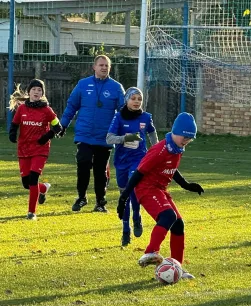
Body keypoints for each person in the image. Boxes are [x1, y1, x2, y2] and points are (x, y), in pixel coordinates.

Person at [117, 113, 204, 277]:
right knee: (168, 216)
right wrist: (124, 198)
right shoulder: (160, 149)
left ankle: (178, 267)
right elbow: (139, 173)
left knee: (178, 225)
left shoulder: (176, 148)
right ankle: (151, 251)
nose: (186, 141)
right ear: (175, 132)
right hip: (146, 189)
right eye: (184, 137)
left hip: (160, 189)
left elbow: (171, 168)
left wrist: (186, 185)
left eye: (189, 139)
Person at [60, 54, 125, 212]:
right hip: (84, 135)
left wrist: (128, 131)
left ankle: (100, 202)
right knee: (83, 163)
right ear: (94, 67)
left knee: (100, 170)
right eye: (101, 65)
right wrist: (63, 125)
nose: (104, 68)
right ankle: (81, 197)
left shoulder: (116, 87)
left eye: (106, 66)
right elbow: (71, 106)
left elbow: (124, 112)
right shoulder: (83, 85)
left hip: (105, 137)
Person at [106, 87, 158, 246]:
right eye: (133, 98)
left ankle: (136, 216)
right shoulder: (118, 117)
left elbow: (152, 132)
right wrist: (126, 138)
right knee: (124, 195)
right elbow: (109, 139)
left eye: (139, 99)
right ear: (126, 100)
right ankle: (125, 229)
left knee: (133, 188)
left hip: (139, 159)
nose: (136, 102)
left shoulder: (146, 117)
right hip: (122, 161)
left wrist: (155, 149)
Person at [8, 79, 63, 220]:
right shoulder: (21, 109)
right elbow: (14, 124)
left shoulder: (47, 110)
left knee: (33, 179)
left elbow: (58, 127)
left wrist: (47, 136)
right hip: (24, 149)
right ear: (29, 92)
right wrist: (12, 134)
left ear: (42, 93)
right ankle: (43, 188)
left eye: (40, 90)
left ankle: (31, 212)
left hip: (40, 149)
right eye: (34, 89)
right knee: (26, 184)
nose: (37, 92)